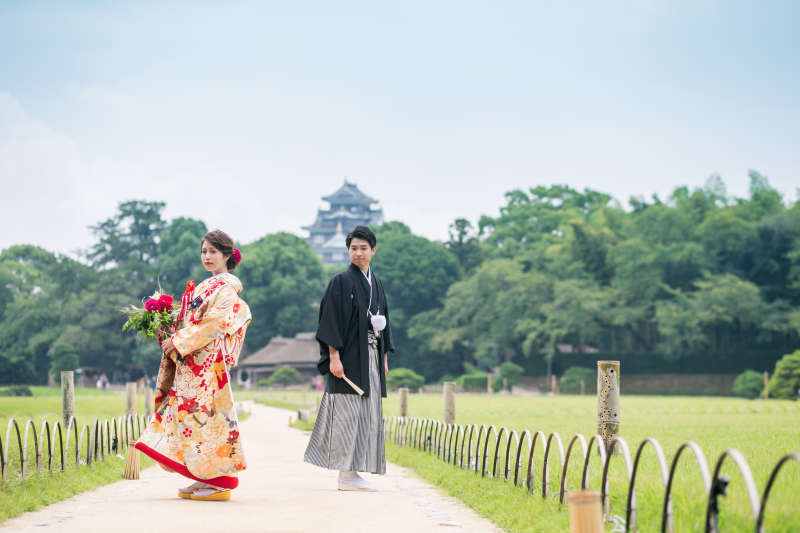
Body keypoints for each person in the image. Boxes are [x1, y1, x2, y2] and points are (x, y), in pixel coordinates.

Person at [135, 230, 252, 502]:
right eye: (204, 251)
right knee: (189, 421)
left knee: (206, 420)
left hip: (208, 364)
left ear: (227, 255)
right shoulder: (203, 286)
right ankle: (201, 476)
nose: (207, 257)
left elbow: (215, 323)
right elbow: (187, 320)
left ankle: (220, 480)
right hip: (191, 363)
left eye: (213, 252)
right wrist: (164, 325)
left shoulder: (226, 289)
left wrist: (179, 340)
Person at [303, 225, 394, 491]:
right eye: (353, 248)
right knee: (346, 412)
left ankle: (354, 471)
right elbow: (330, 319)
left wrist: (384, 357)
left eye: (363, 248)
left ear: (373, 250)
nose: (358, 253)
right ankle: (346, 474)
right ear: (348, 251)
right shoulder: (340, 281)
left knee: (367, 413)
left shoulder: (376, 282)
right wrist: (333, 356)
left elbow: (385, 321)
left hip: (372, 356)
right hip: (348, 357)